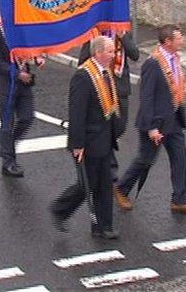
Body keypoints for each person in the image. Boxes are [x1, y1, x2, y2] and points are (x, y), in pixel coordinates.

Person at [115, 25, 186, 215]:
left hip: (174, 120)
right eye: (179, 38)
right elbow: (147, 97)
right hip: (156, 123)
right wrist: (152, 127)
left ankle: (179, 200)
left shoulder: (174, 58)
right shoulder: (153, 63)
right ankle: (122, 188)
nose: (183, 40)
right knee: (145, 160)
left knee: (180, 159)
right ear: (168, 42)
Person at [51, 36, 123, 239]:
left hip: (105, 138)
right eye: (110, 51)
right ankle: (60, 209)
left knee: (105, 183)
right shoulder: (83, 76)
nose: (113, 55)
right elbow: (77, 112)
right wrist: (77, 144)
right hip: (89, 140)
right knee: (88, 183)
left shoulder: (105, 72)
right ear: (98, 53)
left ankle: (103, 226)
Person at [78, 29, 139, 181]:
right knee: (105, 127)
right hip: (101, 87)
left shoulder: (124, 29)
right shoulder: (93, 32)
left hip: (120, 87)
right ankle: (109, 165)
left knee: (119, 127)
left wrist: (123, 36)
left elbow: (135, 54)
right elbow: (82, 61)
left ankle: (105, 155)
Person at [0, 19, 44, 177]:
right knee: (7, 123)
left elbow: (29, 48)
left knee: (27, 118)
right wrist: (17, 74)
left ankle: (7, 145)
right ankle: (8, 163)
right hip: (4, 85)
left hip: (23, 82)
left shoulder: (22, 26)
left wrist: (36, 58)